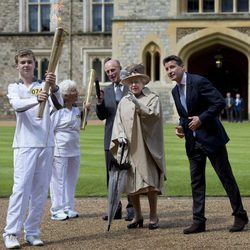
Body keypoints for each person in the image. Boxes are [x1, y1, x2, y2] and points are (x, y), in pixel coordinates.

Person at [163, 55, 248, 234]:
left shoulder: (199, 81)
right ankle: (198, 221)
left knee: (226, 178)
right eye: (166, 69)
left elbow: (219, 102)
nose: (169, 71)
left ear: (181, 67)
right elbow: (185, 115)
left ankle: (240, 215)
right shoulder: (174, 91)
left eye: (172, 67)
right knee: (196, 182)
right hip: (192, 142)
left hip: (211, 138)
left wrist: (201, 119)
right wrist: (181, 126)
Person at [3, 49, 63, 249]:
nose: (26, 65)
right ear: (18, 65)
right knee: (20, 189)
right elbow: (17, 106)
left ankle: (32, 232)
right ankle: (11, 233)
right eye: (23, 62)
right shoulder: (15, 87)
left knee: (39, 191)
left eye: (29, 61)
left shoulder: (43, 86)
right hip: (25, 145)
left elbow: (59, 106)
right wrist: (35, 100)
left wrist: (54, 88)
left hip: (46, 144)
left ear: (35, 64)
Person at [110, 68, 166, 230]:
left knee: (150, 183)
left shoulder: (152, 98)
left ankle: (154, 216)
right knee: (131, 183)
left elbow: (154, 116)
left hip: (146, 147)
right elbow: (118, 121)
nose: (134, 84)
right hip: (128, 147)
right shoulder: (124, 101)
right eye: (131, 82)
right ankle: (138, 216)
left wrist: (138, 104)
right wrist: (119, 134)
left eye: (137, 81)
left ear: (143, 83)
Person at [96, 58, 134, 221]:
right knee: (111, 175)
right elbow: (102, 116)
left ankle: (132, 208)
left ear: (120, 69)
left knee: (130, 174)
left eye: (113, 70)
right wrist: (99, 103)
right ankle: (115, 208)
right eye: (108, 71)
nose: (111, 74)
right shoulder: (106, 91)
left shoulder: (131, 87)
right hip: (111, 137)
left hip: (130, 137)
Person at [50, 79, 90, 221]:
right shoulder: (57, 111)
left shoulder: (76, 110)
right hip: (60, 150)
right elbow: (50, 130)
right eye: (73, 91)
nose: (77, 93)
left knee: (71, 179)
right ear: (65, 95)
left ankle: (68, 207)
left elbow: (81, 126)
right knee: (58, 180)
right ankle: (56, 209)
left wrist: (86, 112)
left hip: (75, 149)